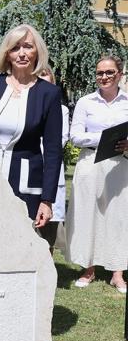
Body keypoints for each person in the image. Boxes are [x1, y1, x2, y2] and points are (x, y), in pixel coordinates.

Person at [0, 24, 63, 228]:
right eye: (15, 48)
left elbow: (53, 150)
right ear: (7, 54)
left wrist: (47, 200)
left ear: (37, 51)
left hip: (25, 185)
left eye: (28, 47)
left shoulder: (48, 93)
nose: (22, 53)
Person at [65, 55, 128, 293]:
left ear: (119, 75)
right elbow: (76, 136)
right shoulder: (85, 102)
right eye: (100, 73)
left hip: (119, 164)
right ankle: (88, 268)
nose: (104, 77)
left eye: (109, 72)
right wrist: (105, 137)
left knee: (119, 217)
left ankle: (117, 273)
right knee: (87, 214)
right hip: (90, 161)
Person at [36, 68, 70, 252]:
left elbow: (60, 139)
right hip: (31, 168)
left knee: (49, 225)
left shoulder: (61, 110)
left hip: (49, 167)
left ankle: (47, 267)